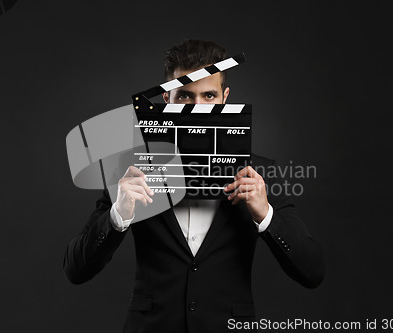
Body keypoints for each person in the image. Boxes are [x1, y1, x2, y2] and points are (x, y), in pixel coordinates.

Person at [63, 39, 325, 333]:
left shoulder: (259, 174)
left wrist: (266, 215)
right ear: (166, 100)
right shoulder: (132, 171)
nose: (198, 109)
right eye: (185, 96)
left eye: (209, 95)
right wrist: (117, 216)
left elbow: (312, 272)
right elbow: (76, 269)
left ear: (225, 98)